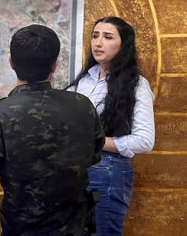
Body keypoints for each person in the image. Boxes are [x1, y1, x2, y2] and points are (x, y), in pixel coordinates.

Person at [0, 24, 105, 236]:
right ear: (55, 65)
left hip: (22, 229)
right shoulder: (82, 105)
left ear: (11, 63)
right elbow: (94, 154)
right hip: (76, 227)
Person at [67, 16, 155, 235]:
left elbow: (144, 140)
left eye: (107, 37)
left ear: (123, 44)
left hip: (109, 170)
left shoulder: (136, 84)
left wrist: (95, 141)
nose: (98, 43)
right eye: (95, 36)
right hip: (73, 169)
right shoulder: (83, 81)